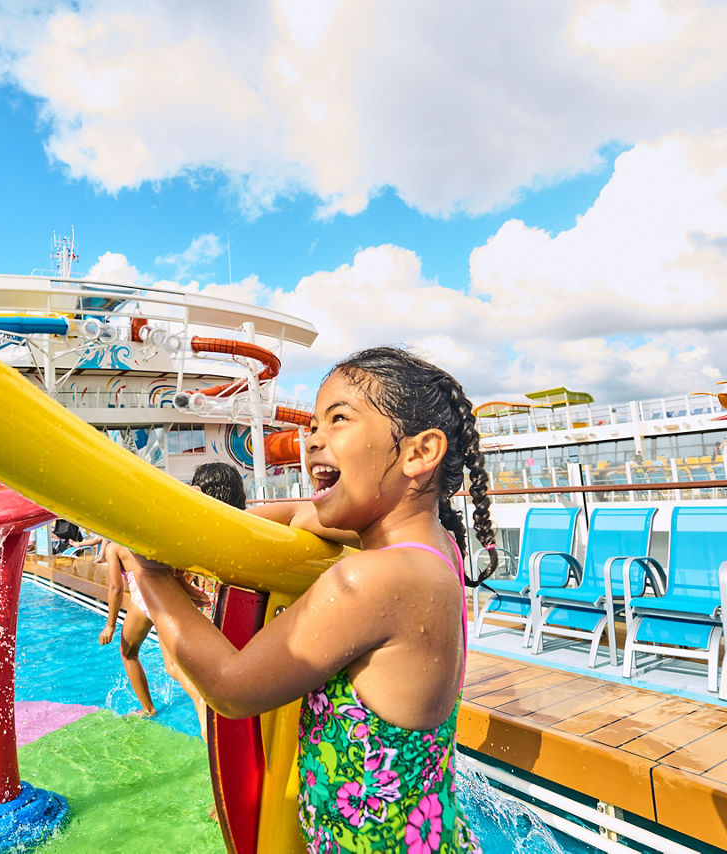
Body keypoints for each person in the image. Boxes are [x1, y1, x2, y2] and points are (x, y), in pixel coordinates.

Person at [133, 347, 490, 851]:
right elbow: (303, 516)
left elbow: (232, 688)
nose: (312, 438)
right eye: (314, 424)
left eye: (338, 419)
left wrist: (148, 574)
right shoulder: (433, 550)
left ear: (418, 453)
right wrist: (190, 541)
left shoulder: (374, 579)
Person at [99, 462, 247, 724]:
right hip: (167, 592)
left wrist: (110, 624)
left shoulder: (116, 546)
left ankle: (156, 707)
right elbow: (178, 569)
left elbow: (115, 588)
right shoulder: (220, 533)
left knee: (133, 653)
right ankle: (203, 702)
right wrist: (188, 589)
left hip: (150, 596)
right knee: (175, 664)